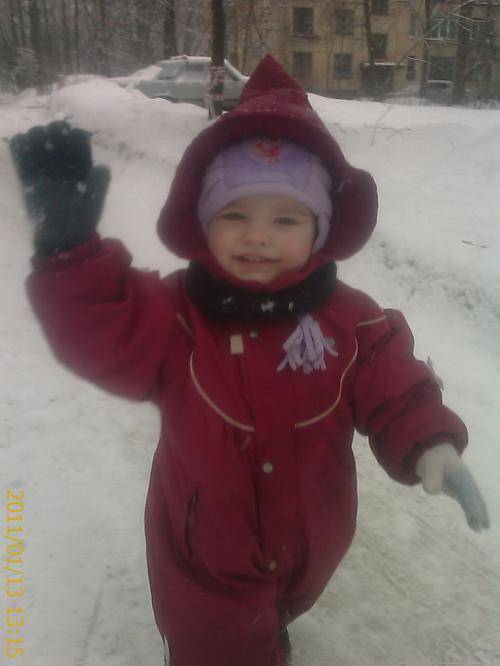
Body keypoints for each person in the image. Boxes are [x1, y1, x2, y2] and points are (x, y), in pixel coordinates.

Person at [10, 55, 489, 666]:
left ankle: (270, 626)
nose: (257, 235)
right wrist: (69, 254)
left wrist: (430, 443)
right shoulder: (176, 316)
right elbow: (101, 327)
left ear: (319, 230)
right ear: (204, 223)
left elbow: (397, 389)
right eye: (234, 214)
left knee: (274, 613)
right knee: (224, 645)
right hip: (207, 559)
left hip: (312, 541)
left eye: (285, 219)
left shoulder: (352, 322)